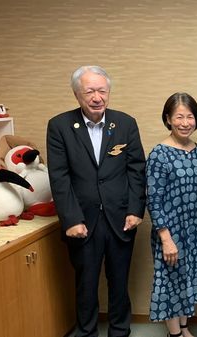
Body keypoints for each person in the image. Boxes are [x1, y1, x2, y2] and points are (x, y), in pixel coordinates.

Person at [47, 65, 146, 337]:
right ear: (77, 94)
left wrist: (136, 210)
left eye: (102, 90)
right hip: (83, 222)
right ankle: (87, 332)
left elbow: (137, 169)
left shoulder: (125, 123)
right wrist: (71, 219)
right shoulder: (60, 126)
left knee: (119, 283)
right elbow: (59, 176)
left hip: (121, 219)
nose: (96, 97)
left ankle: (119, 332)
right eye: (89, 91)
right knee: (86, 285)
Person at [146, 92, 197, 337]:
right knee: (172, 281)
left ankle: (184, 327)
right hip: (171, 230)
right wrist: (166, 238)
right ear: (168, 119)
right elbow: (153, 199)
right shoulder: (159, 154)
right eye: (179, 117)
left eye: (190, 117)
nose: (185, 123)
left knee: (191, 279)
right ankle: (175, 334)